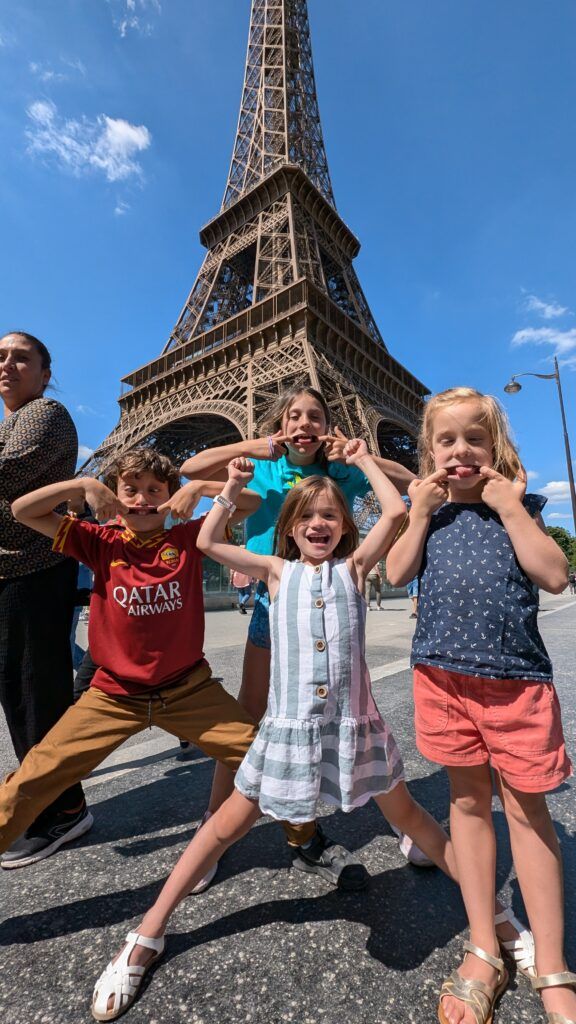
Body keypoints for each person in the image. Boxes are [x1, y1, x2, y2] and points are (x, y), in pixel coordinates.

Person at [91, 445, 535, 1022]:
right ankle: (146, 933)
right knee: (223, 825)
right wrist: (227, 487)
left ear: (346, 527)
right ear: (289, 530)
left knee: (415, 821)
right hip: (288, 736)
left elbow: (396, 513)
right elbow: (205, 543)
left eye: (330, 515)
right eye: (306, 518)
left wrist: (366, 459)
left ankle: (495, 918)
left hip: (355, 731)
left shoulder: (356, 567)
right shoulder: (276, 572)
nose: (319, 524)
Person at [180, 384, 423, 883]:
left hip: (332, 603)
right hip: (276, 605)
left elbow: (410, 483)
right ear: (280, 423)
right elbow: (190, 467)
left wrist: (359, 454)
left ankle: (405, 818)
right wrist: (251, 446)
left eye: (315, 416)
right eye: (294, 416)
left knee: (358, 711)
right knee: (249, 713)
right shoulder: (265, 468)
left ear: (327, 424)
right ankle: (215, 818)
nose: (304, 424)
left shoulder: (338, 471)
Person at [386, 386, 575, 1024]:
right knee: (466, 805)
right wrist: (415, 512)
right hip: (443, 682)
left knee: (528, 816)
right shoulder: (431, 515)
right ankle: (483, 945)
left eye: (475, 438)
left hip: (516, 683)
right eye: (447, 440)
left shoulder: (519, 506)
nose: (461, 451)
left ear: (496, 448)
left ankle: (550, 961)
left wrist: (514, 509)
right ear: (430, 451)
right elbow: (395, 574)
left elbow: (554, 576)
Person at [0, 449, 264, 872]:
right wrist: (83, 486)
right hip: (113, 695)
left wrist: (197, 486)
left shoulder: (190, 538)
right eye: (132, 490)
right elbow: (21, 510)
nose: (143, 500)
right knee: (34, 777)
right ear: (115, 495)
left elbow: (252, 502)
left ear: (171, 497)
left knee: (268, 760)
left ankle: (299, 837)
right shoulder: (99, 541)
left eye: (154, 490)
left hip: (186, 689)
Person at [0, 330, 90, 869]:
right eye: (0, 358)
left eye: (20, 357)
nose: (7, 365)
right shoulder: (12, 424)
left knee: (36, 689)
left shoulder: (45, 415)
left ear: (45, 372)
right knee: (20, 687)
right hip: (16, 573)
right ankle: (48, 794)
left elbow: (7, 473)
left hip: (35, 570)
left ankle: (63, 806)